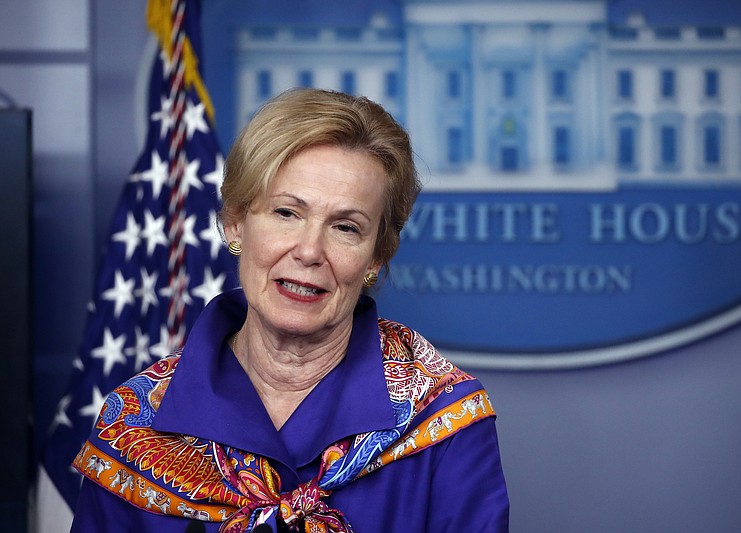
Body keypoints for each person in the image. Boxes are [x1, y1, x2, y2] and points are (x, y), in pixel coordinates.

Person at [71, 88, 509, 532]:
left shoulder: (445, 421)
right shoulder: (133, 426)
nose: (309, 251)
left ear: (376, 256)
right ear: (235, 222)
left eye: (345, 227)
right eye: (286, 213)